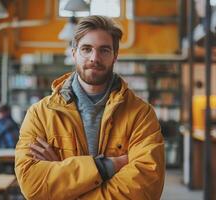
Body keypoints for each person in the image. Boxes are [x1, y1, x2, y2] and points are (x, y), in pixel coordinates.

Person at [15, 15, 165, 199]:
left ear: (115, 56)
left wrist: (63, 177)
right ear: (74, 53)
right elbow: (32, 184)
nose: (95, 58)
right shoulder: (40, 114)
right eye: (86, 49)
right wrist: (108, 166)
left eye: (104, 50)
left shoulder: (141, 114)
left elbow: (145, 188)